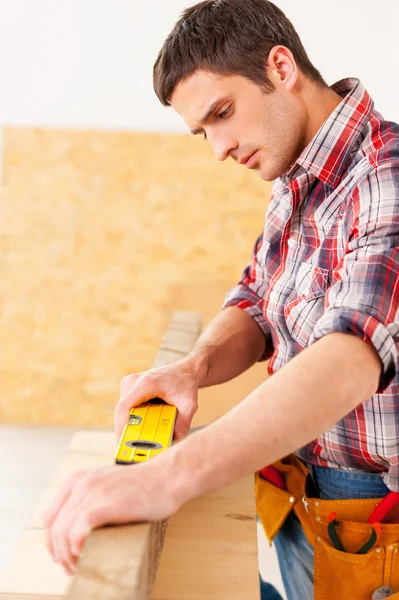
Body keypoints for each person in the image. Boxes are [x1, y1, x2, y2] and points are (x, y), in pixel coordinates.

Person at [42, 1, 399, 598]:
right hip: (300, 494)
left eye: (222, 113)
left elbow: (349, 355)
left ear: (281, 67)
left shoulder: (387, 175)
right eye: (202, 131)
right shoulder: (295, 176)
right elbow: (257, 300)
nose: (219, 148)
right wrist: (192, 368)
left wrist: (167, 478)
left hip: (376, 522)